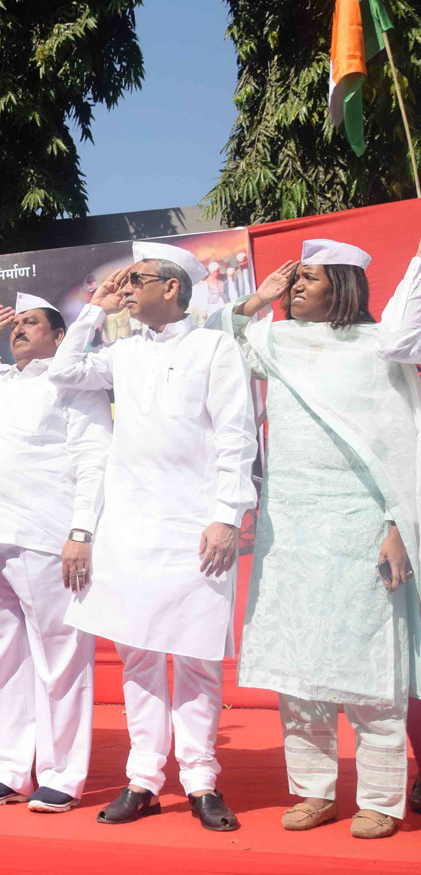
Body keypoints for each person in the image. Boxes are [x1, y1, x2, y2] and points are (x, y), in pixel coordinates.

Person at [47, 241, 257, 832]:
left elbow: (237, 438)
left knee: (194, 657)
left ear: (172, 287)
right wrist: (95, 308)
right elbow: (63, 371)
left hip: (196, 523)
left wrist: (225, 514)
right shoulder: (121, 352)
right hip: (131, 525)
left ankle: (201, 779)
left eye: (138, 279)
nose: (128, 287)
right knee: (139, 656)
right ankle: (143, 779)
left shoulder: (214, 347)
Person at [221, 239, 421, 839]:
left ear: (344, 285)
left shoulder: (379, 349)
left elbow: (402, 447)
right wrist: (262, 297)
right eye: (294, 279)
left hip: (361, 524)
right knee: (297, 666)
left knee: (369, 667)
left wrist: (397, 525)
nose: (296, 287)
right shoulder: (276, 339)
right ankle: (313, 791)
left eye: (307, 278)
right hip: (291, 526)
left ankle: (382, 799)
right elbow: (226, 337)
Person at [0, 293, 112, 813]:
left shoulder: (70, 382)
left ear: (59, 336)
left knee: (60, 658)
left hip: (44, 534)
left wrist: (82, 531)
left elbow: (94, 458)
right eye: (15, 323)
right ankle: (7, 768)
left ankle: (63, 774)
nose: (18, 329)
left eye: (31, 323)